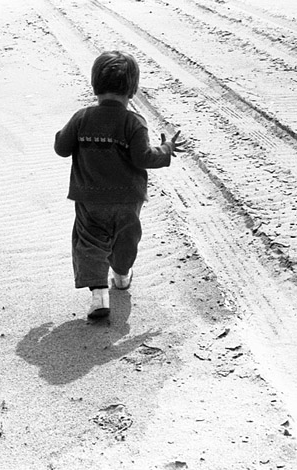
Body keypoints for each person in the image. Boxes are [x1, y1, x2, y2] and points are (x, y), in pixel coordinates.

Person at [54, 50, 186, 319]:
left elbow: (62, 148)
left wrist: (63, 134)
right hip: (128, 199)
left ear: (94, 86)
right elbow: (143, 158)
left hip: (90, 199)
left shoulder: (82, 118)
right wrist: (166, 149)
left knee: (89, 243)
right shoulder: (134, 122)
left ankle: (100, 296)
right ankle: (122, 277)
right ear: (133, 89)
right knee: (126, 238)